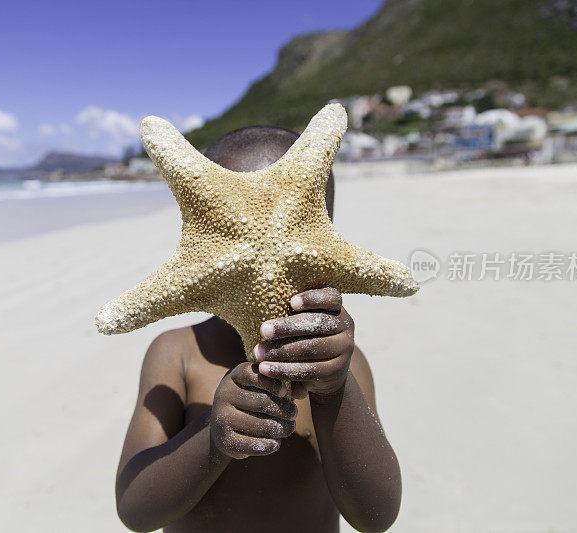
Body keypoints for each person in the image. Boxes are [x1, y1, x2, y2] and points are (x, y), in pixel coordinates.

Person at [115, 126, 402, 533]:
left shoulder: (340, 366)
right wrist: (213, 437)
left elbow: (376, 515)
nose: (259, 248)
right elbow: (135, 510)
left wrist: (333, 391)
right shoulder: (175, 353)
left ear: (329, 240)